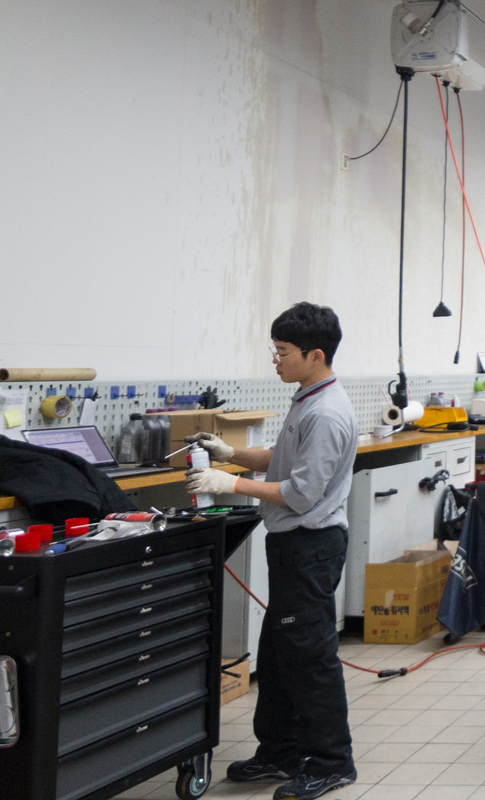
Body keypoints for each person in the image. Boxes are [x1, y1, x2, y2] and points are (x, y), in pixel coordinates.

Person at [185, 302, 357, 800]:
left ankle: (332, 762)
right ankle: (280, 753)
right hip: (292, 545)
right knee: (279, 655)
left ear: (315, 354)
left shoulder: (326, 413)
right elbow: (283, 460)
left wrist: (231, 483)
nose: (275, 360)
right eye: (274, 349)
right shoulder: (308, 397)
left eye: (283, 352)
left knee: (309, 658)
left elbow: (300, 492)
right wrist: (231, 454)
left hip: (310, 546)